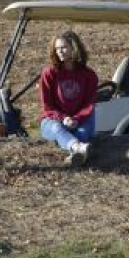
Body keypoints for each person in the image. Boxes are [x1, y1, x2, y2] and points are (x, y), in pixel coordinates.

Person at [39, 30, 97, 166]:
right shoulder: (49, 74)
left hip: (81, 120)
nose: (60, 51)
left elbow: (89, 105)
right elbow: (47, 107)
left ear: (74, 48)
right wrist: (63, 118)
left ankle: (74, 157)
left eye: (64, 47)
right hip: (53, 121)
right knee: (56, 128)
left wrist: (76, 119)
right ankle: (77, 148)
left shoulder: (89, 75)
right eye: (57, 48)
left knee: (82, 133)